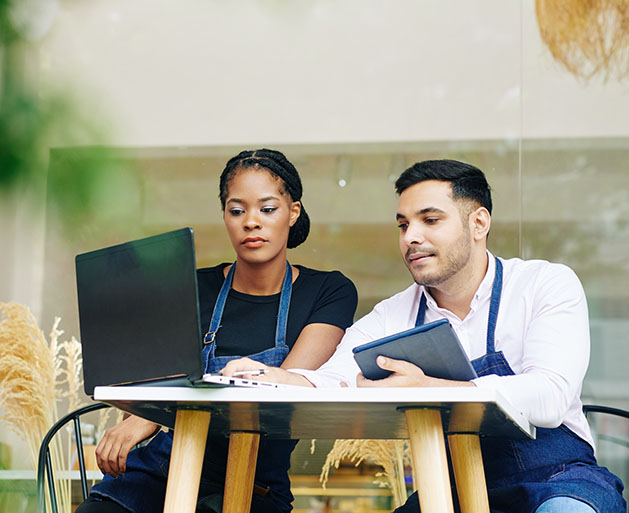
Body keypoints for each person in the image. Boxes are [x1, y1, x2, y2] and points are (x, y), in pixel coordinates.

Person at [224, 159, 626, 513]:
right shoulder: (393, 314)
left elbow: (551, 396)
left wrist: (432, 387)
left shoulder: (544, 284)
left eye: (430, 220)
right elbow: (336, 377)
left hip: (556, 481)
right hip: (447, 487)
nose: (410, 237)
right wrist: (277, 376)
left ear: (479, 223)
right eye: (403, 225)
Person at [75, 149, 358, 513]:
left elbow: (283, 388)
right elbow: (150, 389)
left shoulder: (328, 292)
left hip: (256, 483)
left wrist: (155, 414)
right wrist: (140, 415)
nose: (251, 222)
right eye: (236, 210)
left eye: (267, 209)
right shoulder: (192, 287)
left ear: (293, 212)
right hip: (163, 469)